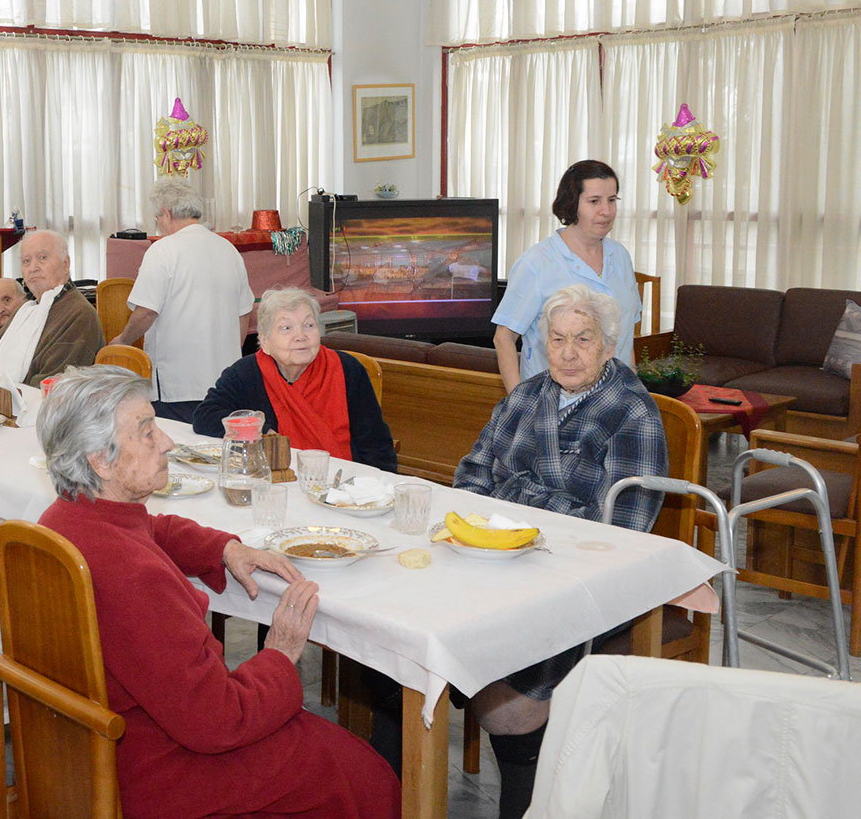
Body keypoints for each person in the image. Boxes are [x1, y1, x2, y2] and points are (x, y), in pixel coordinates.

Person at [36, 366, 400, 819]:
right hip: (161, 773)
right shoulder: (135, 577)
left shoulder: (64, 519)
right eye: (147, 433)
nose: (167, 442)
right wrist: (280, 654)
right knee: (363, 774)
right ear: (100, 460)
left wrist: (224, 547)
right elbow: (218, 722)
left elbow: (151, 528)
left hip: (85, 748)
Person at [453, 284, 667, 819]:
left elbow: (621, 531)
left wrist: (517, 502)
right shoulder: (525, 397)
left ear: (608, 345)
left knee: (510, 707)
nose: (568, 353)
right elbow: (470, 477)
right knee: (410, 653)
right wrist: (513, 515)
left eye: (583, 339)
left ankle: (527, 799)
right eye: (557, 339)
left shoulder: (633, 414)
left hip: (582, 584)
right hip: (494, 564)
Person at [193, 287, 397, 472]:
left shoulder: (347, 370)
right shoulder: (246, 373)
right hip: (274, 481)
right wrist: (261, 431)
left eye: (309, 325)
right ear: (264, 341)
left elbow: (377, 445)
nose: (301, 336)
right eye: (286, 328)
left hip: (343, 486)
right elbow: (205, 416)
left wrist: (377, 490)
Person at [492, 160, 641, 393]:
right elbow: (503, 338)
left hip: (615, 402)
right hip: (553, 403)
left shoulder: (620, 256)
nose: (606, 211)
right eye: (594, 201)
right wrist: (519, 405)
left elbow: (625, 334)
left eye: (612, 200)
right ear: (572, 204)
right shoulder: (537, 262)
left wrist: (633, 388)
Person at [110, 179, 251, 422]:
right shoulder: (229, 250)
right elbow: (244, 314)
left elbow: (146, 312)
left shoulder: (163, 250)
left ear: (166, 213)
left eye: (157, 219)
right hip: (224, 385)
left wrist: (122, 342)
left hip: (178, 388)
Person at [0, 229, 106, 386]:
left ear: (65, 264)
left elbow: (50, 384)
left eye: (42, 258)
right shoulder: (26, 310)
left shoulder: (79, 314)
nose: (33, 267)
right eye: (26, 261)